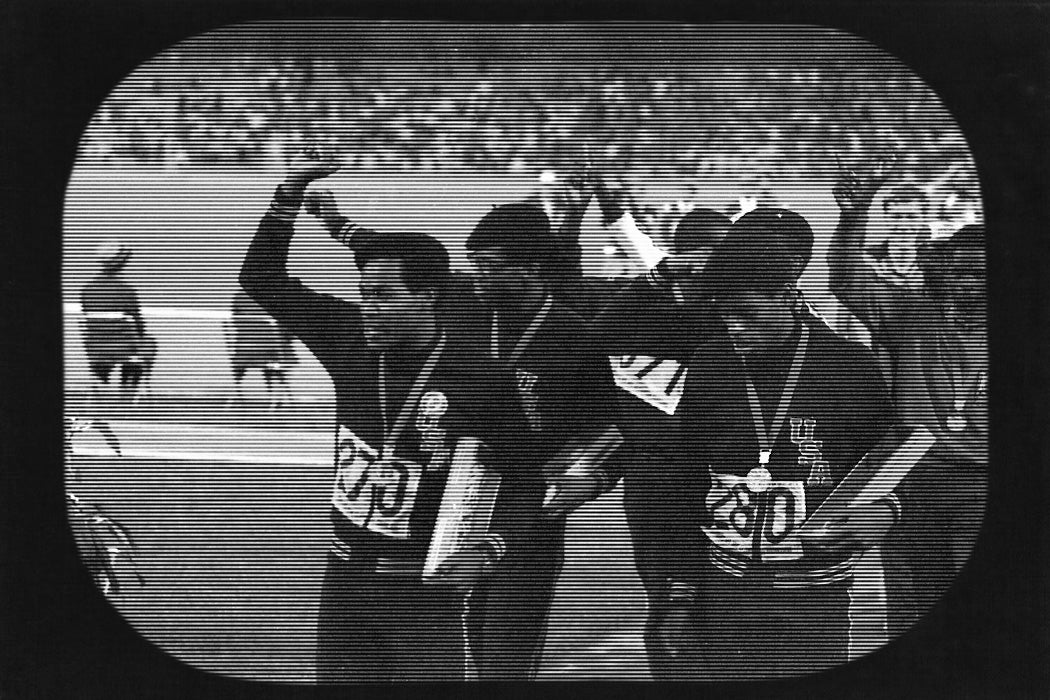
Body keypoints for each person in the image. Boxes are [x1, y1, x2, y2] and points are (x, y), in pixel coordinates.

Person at [239, 148, 541, 683]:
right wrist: (289, 193)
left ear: (427, 296)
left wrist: (491, 547)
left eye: (382, 297)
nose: (368, 307)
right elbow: (261, 279)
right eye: (362, 294)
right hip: (345, 590)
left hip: (421, 598)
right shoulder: (348, 334)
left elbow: (525, 479)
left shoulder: (479, 377)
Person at [594, 208, 898, 679]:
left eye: (747, 314)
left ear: (787, 296)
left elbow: (889, 459)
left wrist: (880, 512)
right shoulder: (711, 363)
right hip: (725, 585)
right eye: (724, 314)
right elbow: (688, 478)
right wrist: (680, 591)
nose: (734, 327)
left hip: (816, 592)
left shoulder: (848, 367)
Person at [459, 201, 623, 680]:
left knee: (506, 656)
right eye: (474, 263)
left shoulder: (575, 337)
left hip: (530, 509)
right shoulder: (466, 316)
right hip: (455, 502)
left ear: (529, 267)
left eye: (488, 265)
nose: (476, 276)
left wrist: (588, 476)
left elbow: (612, 427)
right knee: (457, 639)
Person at [828, 157, 988, 636]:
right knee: (911, 610)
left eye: (979, 273)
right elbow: (847, 280)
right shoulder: (912, 314)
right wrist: (856, 213)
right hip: (906, 482)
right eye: (958, 271)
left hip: (981, 486)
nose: (967, 282)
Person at [79, 240, 156, 404]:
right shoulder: (126, 291)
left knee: (111, 346)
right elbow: (139, 326)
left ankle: (101, 380)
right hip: (123, 348)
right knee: (148, 344)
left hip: (96, 348)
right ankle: (128, 390)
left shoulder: (87, 291)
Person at [225, 288, 297, 409]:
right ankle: (278, 401)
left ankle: (276, 401)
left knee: (270, 355)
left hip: (245, 351)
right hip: (267, 352)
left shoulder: (241, 296)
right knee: (275, 360)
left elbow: (234, 322)